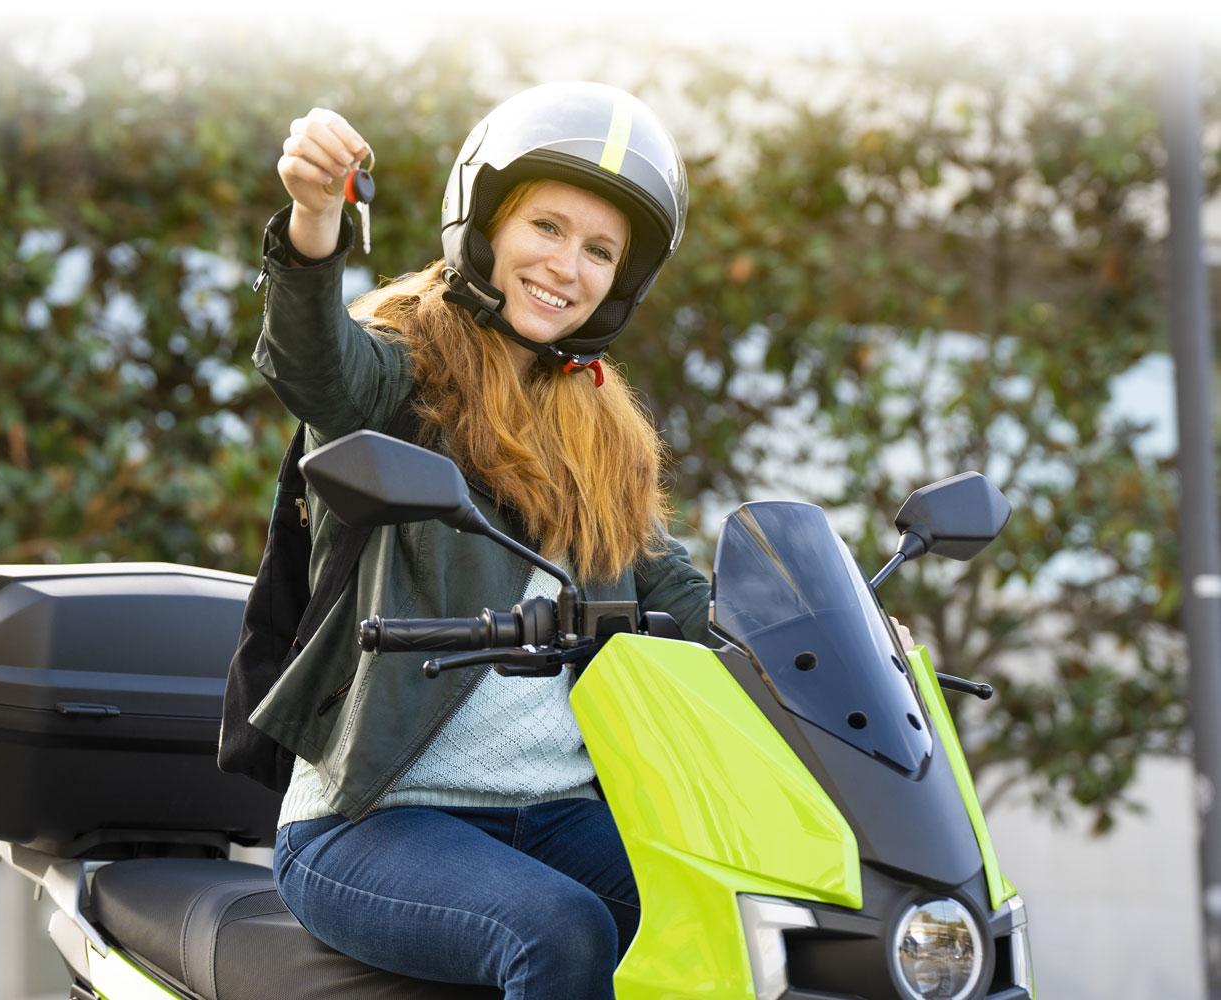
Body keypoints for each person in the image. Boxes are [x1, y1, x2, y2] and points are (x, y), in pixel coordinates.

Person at [248, 83, 907, 999]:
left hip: (555, 812)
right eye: (547, 228)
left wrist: (835, 644)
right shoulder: (399, 372)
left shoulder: (600, 427)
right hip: (372, 819)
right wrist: (314, 218)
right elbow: (315, 367)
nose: (569, 265)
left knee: (767, 901)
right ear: (485, 225)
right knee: (562, 933)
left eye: (600, 251)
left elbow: (669, 584)